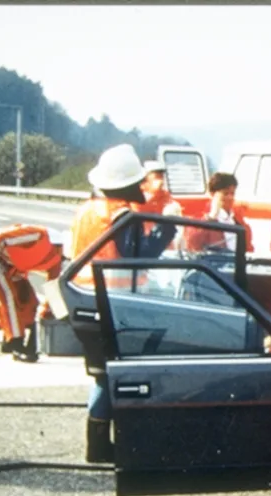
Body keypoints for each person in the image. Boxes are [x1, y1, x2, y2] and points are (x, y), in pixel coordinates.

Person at [68, 144, 178, 463]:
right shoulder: (121, 215)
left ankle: (99, 445)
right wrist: (168, 227)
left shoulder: (88, 209)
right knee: (112, 375)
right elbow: (141, 256)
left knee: (103, 374)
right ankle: (101, 447)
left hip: (86, 300)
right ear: (126, 184)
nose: (143, 186)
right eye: (139, 181)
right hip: (112, 306)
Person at [0, 224, 63, 363]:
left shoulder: (57, 258)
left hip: (13, 265)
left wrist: (47, 309)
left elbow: (52, 284)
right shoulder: (38, 235)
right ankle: (15, 343)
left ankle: (13, 342)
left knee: (29, 302)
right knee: (8, 298)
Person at [183, 172, 254, 254]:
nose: (230, 198)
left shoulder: (238, 220)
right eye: (225, 193)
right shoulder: (199, 217)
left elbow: (248, 249)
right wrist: (212, 217)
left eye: (232, 193)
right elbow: (193, 244)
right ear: (212, 194)